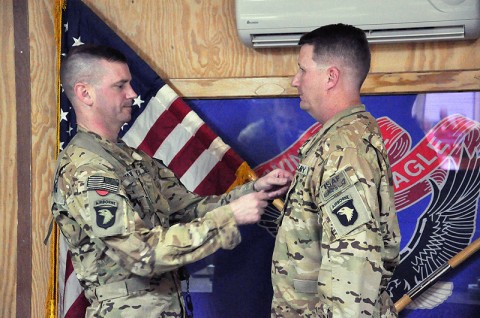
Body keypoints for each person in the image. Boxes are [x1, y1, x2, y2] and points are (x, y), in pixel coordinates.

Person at [51, 45, 293, 318]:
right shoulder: (88, 169)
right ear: (85, 93)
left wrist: (253, 192)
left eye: (130, 84)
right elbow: (140, 253)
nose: (132, 93)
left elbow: (188, 210)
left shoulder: (132, 159)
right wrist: (229, 217)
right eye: (120, 86)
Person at [270, 24, 401, 317]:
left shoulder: (345, 150)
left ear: (330, 77)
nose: (295, 81)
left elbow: (352, 271)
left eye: (302, 70)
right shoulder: (342, 140)